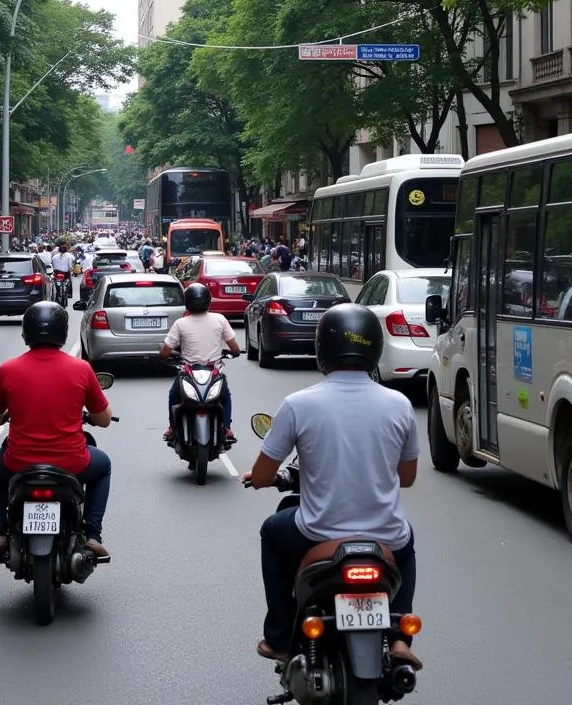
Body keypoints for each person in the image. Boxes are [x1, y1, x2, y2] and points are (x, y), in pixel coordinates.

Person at [243, 302, 421, 668]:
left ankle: (278, 637)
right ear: (374, 347)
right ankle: (402, 639)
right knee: (407, 540)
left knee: (270, 533)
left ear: (322, 347)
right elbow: (407, 478)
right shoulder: (400, 405)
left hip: (317, 532)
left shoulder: (298, 404)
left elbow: (261, 476)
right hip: (385, 536)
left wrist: (259, 480)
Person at [0, 301, 113, 558]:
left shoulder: (8, 369)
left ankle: (0, 532)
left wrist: (6, 415)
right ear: (63, 333)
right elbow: (105, 419)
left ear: (26, 332)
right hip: (73, 462)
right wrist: (91, 417)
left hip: (18, 463)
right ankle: (93, 534)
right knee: (103, 466)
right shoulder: (82, 369)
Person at [160, 283, 240, 442]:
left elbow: (165, 353)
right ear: (208, 301)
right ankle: (227, 428)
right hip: (213, 372)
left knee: (173, 395)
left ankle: (172, 427)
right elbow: (236, 349)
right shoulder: (220, 319)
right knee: (226, 396)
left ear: (187, 303)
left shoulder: (180, 323)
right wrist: (229, 353)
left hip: (189, 373)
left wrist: (164, 354)